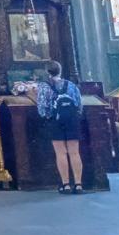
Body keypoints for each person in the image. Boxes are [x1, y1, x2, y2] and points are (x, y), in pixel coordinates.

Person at [36, 64, 86, 193]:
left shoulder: (44, 87)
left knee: (61, 153)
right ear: (60, 71)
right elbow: (79, 105)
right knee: (75, 152)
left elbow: (42, 108)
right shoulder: (71, 85)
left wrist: (48, 116)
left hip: (55, 121)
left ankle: (66, 184)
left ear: (47, 72)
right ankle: (79, 184)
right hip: (72, 120)